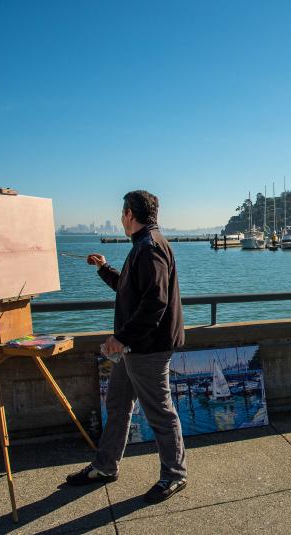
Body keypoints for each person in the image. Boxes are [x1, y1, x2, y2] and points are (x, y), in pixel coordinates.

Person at [66, 190, 187, 504]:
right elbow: (133, 290)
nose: (121, 218)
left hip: (147, 347)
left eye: (123, 213)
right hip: (135, 347)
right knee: (118, 405)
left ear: (130, 214)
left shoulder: (150, 248)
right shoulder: (146, 244)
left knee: (160, 411)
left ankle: (175, 474)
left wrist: (121, 339)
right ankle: (106, 466)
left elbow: (155, 303)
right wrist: (105, 269)